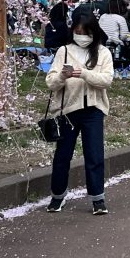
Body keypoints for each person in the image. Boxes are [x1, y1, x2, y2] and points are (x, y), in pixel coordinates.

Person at [44, 13, 113, 214]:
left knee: (94, 154)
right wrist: (62, 76)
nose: (82, 36)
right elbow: (50, 83)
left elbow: (106, 80)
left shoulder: (103, 53)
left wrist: (83, 73)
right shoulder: (64, 51)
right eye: (78, 32)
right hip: (67, 110)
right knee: (62, 155)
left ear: (94, 33)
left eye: (86, 33)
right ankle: (57, 196)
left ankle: (97, 198)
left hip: (94, 110)